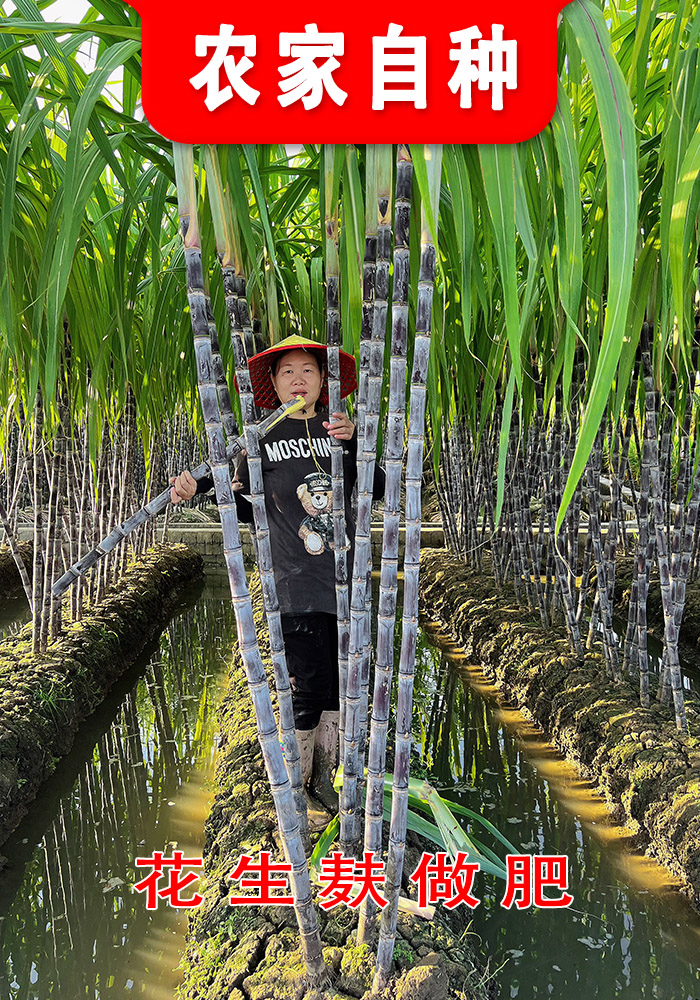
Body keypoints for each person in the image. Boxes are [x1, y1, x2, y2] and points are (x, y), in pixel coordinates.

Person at [170, 334, 385, 813]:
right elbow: (240, 503)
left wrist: (353, 449)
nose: (298, 379)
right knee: (307, 687)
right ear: (272, 381)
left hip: (345, 584)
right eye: (287, 371)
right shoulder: (263, 438)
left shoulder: (341, 433)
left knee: (340, 686)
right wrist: (193, 485)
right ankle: (302, 784)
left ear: (323, 380)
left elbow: (380, 489)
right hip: (295, 582)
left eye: (308, 370)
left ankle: (326, 776)